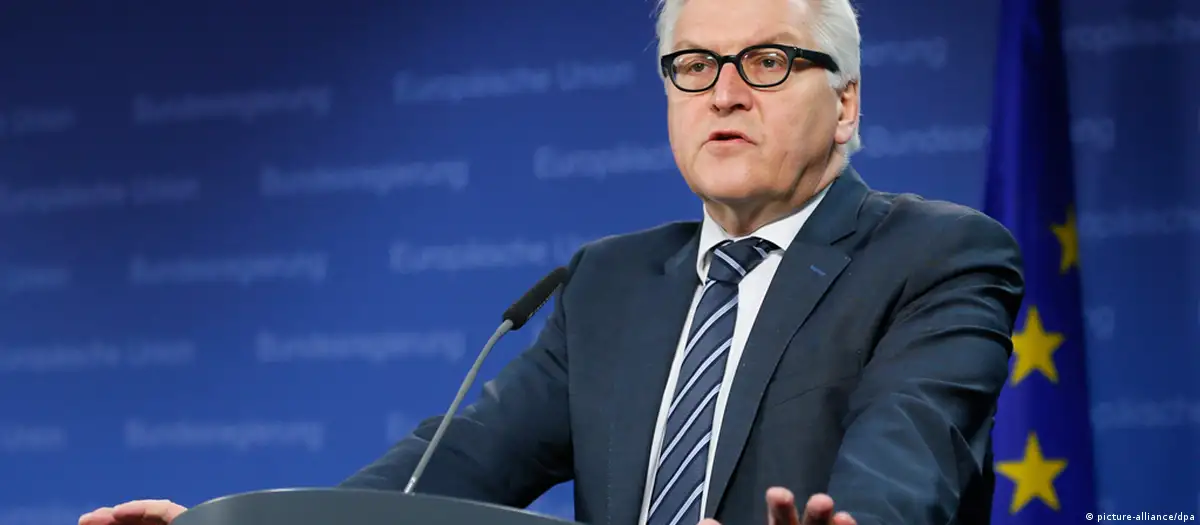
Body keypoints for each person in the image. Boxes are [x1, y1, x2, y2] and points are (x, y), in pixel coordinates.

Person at [79, 0, 1024, 524]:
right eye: (694, 65)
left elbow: (910, 448)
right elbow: (448, 470)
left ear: (846, 103)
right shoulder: (609, 282)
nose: (724, 93)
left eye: (768, 62)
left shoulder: (938, 255)